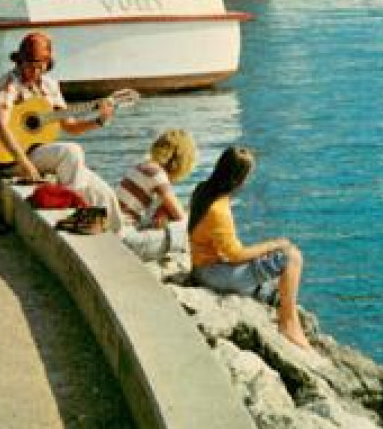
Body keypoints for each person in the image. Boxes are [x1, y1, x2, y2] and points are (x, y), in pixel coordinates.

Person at [0, 32, 122, 225]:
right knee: (72, 151)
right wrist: (25, 163)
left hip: (36, 154)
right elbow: (1, 125)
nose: (34, 72)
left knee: (105, 193)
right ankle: (73, 209)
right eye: (29, 65)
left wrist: (98, 120)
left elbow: (70, 126)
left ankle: (118, 239)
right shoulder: (10, 84)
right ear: (20, 62)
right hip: (11, 158)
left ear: (47, 64)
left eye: (39, 66)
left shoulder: (50, 87)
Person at [188, 146, 311, 349]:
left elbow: (222, 246)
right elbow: (235, 255)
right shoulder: (219, 210)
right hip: (214, 274)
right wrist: (275, 244)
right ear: (239, 178)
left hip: (202, 269)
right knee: (292, 257)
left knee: (275, 293)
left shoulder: (202, 190)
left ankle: (287, 314)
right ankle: (288, 323)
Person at [116, 129, 197, 262]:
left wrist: (163, 212)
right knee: (189, 227)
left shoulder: (144, 166)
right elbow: (180, 217)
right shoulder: (157, 174)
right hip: (125, 242)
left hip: (117, 233)